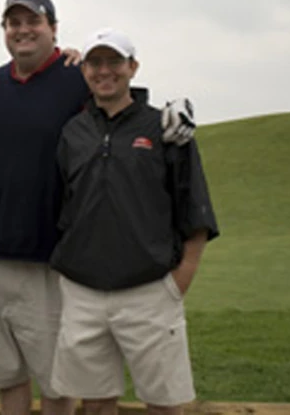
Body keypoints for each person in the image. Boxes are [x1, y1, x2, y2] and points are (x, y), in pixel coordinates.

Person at [0, 0, 197, 415]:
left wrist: (174, 108)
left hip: (50, 256)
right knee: (5, 374)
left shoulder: (77, 76)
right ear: (4, 31)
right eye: (13, 22)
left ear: (53, 29)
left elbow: (122, 108)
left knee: (59, 380)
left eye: (33, 21)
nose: (23, 30)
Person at [50, 28, 219, 415]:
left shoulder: (164, 128)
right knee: (94, 402)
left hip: (150, 290)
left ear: (133, 67)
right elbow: (62, 202)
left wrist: (180, 280)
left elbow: (194, 208)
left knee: (163, 402)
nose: (104, 71)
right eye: (95, 62)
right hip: (83, 290)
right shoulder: (73, 132)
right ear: (85, 70)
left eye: (114, 61)